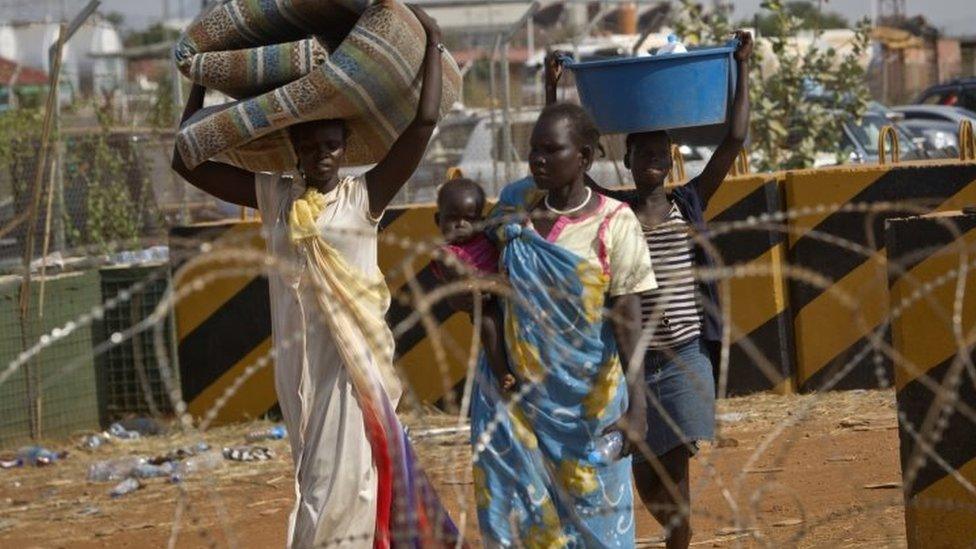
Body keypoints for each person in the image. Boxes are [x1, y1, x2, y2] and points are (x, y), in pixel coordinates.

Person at [172, 7, 458, 548]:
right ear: (294, 148)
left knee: (341, 480)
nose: (319, 155)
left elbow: (422, 125)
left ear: (344, 147)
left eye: (329, 145)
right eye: (308, 145)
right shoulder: (276, 198)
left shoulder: (363, 198)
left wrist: (434, 43)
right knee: (315, 471)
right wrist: (201, 86)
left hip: (354, 368)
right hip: (300, 364)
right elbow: (186, 161)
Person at [545, 30, 754, 549]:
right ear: (629, 160)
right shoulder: (613, 211)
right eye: (642, 156)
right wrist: (555, 92)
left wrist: (742, 67)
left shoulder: (689, 203)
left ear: (672, 158)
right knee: (645, 481)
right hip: (630, 365)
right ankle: (674, 535)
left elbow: (734, 140)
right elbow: (561, 171)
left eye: (660, 155)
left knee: (676, 485)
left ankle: (679, 539)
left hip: (684, 357)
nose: (652, 164)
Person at [470, 102, 657, 547]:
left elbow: (629, 319)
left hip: (587, 406)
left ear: (585, 158)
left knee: (598, 520)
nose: (538, 160)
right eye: (534, 150)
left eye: (551, 151)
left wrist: (639, 406)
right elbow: (474, 266)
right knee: (522, 517)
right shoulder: (515, 205)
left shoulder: (615, 223)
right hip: (518, 398)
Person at [432, 178, 516, 394]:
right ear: (437, 220)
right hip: (484, 302)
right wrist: (495, 281)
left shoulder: (487, 237)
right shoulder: (444, 252)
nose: (461, 225)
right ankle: (502, 373)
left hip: (504, 295)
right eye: (452, 219)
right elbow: (463, 278)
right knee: (489, 325)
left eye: (469, 219)